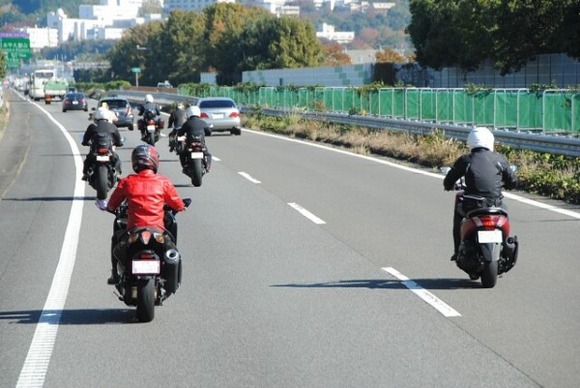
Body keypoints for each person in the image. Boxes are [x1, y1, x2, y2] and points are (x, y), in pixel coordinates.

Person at [96, 145, 187, 284]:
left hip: (134, 229)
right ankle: (171, 280)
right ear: (154, 161)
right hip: (158, 230)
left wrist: (109, 207)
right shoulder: (164, 182)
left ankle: (115, 273)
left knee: (116, 239)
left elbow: (112, 205)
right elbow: (178, 204)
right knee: (173, 250)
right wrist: (181, 206)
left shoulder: (127, 182)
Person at [443, 126, 517, 261]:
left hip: (473, 205)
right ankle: (505, 243)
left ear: (471, 142)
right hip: (496, 205)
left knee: (458, 209)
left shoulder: (466, 160)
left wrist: (448, 185)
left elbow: (449, 180)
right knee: (505, 211)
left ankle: (457, 248)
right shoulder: (500, 159)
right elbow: (513, 181)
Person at [81, 106, 123, 181]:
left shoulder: (92, 126)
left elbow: (85, 139)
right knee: (117, 159)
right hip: (108, 151)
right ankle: (117, 172)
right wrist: (119, 143)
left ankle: (86, 174)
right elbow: (119, 140)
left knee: (88, 160)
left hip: (96, 152)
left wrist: (85, 143)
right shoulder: (112, 126)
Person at [177, 106, 212, 172]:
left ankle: (185, 166)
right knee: (207, 154)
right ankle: (207, 166)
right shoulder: (203, 122)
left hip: (190, 144)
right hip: (201, 144)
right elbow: (209, 132)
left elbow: (180, 133)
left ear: (189, 114)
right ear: (199, 113)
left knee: (182, 154)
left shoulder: (187, 123)